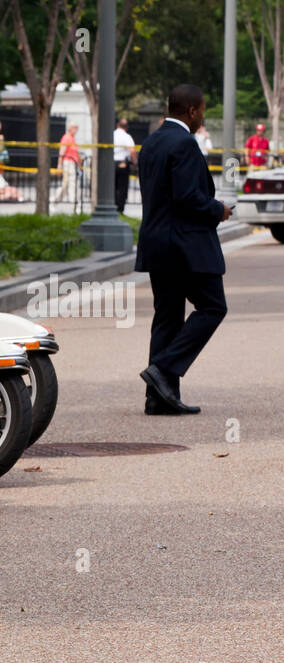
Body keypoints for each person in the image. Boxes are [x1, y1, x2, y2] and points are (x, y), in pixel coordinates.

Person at [135, 84, 232, 415]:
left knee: (167, 316)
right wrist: (218, 210)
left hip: (157, 244)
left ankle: (157, 398)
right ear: (192, 110)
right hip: (185, 246)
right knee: (213, 306)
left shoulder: (151, 142)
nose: (202, 117)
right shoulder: (185, 144)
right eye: (202, 111)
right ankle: (163, 369)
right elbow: (188, 198)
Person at [113, 117, 136, 213]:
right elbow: (132, 151)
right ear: (126, 127)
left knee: (112, 186)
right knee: (122, 187)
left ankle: (112, 205)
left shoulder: (112, 134)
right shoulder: (126, 136)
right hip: (122, 164)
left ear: (117, 125)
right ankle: (120, 208)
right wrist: (135, 162)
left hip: (111, 164)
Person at [53, 123, 80, 204]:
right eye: (75, 128)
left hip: (73, 164)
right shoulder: (66, 138)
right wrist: (59, 166)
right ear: (70, 128)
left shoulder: (72, 139)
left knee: (69, 185)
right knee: (69, 184)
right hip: (68, 163)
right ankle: (73, 204)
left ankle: (54, 201)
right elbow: (61, 153)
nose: (76, 130)